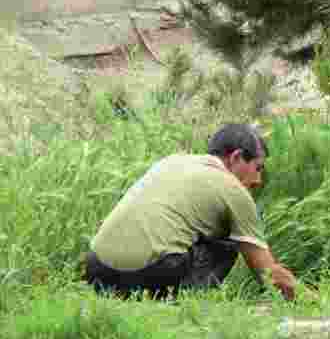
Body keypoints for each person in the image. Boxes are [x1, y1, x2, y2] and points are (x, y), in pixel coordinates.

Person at [84, 123, 297, 300]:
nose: (259, 180)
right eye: (258, 168)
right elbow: (267, 274)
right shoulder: (234, 190)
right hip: (153, 274)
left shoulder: (171, 162)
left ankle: (122, 297)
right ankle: (183, 304)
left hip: (97, 269)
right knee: (232, 239)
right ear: (236, 158)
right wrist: (307, 297)